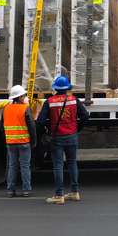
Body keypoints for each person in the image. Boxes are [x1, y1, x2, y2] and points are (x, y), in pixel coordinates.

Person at [37, 75, 89, 205]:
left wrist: (47, 131)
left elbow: (40, 121)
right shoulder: (74, 100)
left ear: (55, 88)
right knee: (72, 163)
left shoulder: (49, 101)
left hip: (57, 137)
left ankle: (59, 195)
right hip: (72, 136)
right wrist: (77, 128)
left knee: (58, 165)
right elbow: (85, 116)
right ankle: (75, 192)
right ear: (67, 88)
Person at [1, 85, 37, 197]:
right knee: (25, 166)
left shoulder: (5, 108)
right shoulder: (25, 108)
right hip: (24, 142)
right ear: (20, 97)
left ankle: (10, 190)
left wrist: (7, 139)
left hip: (10, 143)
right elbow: (32, 126)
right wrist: (34, 141)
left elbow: (2, 126)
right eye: (24, 95)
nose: (24, 97)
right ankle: (26, 190)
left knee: (12, 166)